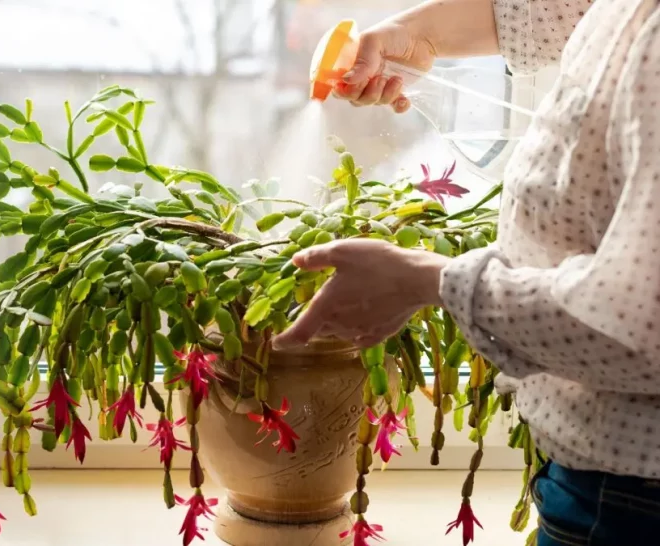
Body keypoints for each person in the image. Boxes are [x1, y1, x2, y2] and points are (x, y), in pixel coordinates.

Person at [273, 0, 660, 544]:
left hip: (631, 505)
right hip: (602, 487)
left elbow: (640, 327)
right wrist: (419, 35)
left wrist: (427, 279)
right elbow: (576, 9)